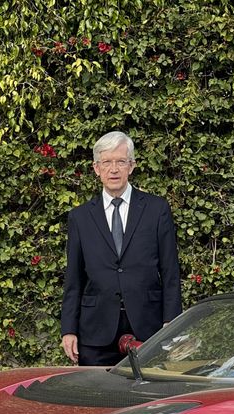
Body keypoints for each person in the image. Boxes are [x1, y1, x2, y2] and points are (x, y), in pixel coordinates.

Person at [60, 131, 182, 365]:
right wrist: (69, 329)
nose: (113, 169)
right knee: (98, 398)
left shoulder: (156, 210)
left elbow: (170, 272)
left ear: (132, 166)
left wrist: (171, 322)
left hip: (149, 327)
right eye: (106, 162)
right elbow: (73, 279)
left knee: (148, 398)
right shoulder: (80, 217)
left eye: (120, 161)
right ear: (96, 168)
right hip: (95, 330)